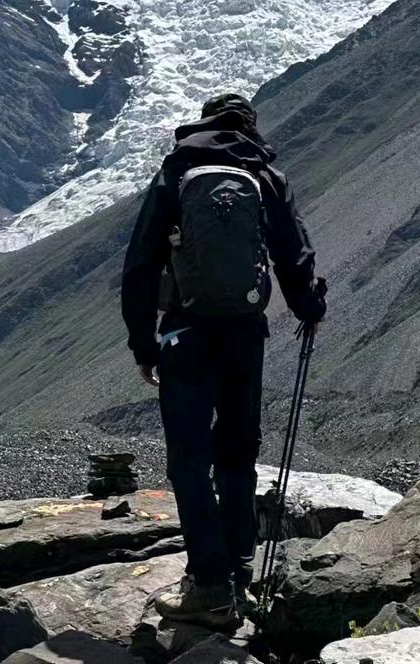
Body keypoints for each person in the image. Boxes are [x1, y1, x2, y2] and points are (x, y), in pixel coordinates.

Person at [120, 93, 327, 629]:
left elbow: (141, 261)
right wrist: (309, 308)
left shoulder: (178, 170)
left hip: (184, 334)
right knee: (236, 452)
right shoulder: (267, 177)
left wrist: (143, 345)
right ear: (251, 128)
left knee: (188, 460)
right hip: (243, 334)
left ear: (205, 121)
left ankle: (207, 586)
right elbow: (293, 253)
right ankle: (240, 573)